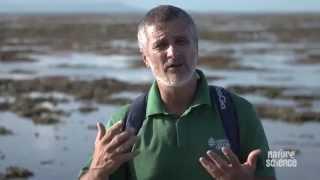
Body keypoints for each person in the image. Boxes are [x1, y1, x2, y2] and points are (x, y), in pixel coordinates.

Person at [79, 5, 276, 180]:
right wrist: (97, 172)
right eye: (161, 45)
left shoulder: (239, 112)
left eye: (181, 41)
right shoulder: (126, 122)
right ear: (145, 58)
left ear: (196, 49)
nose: (172, 52)